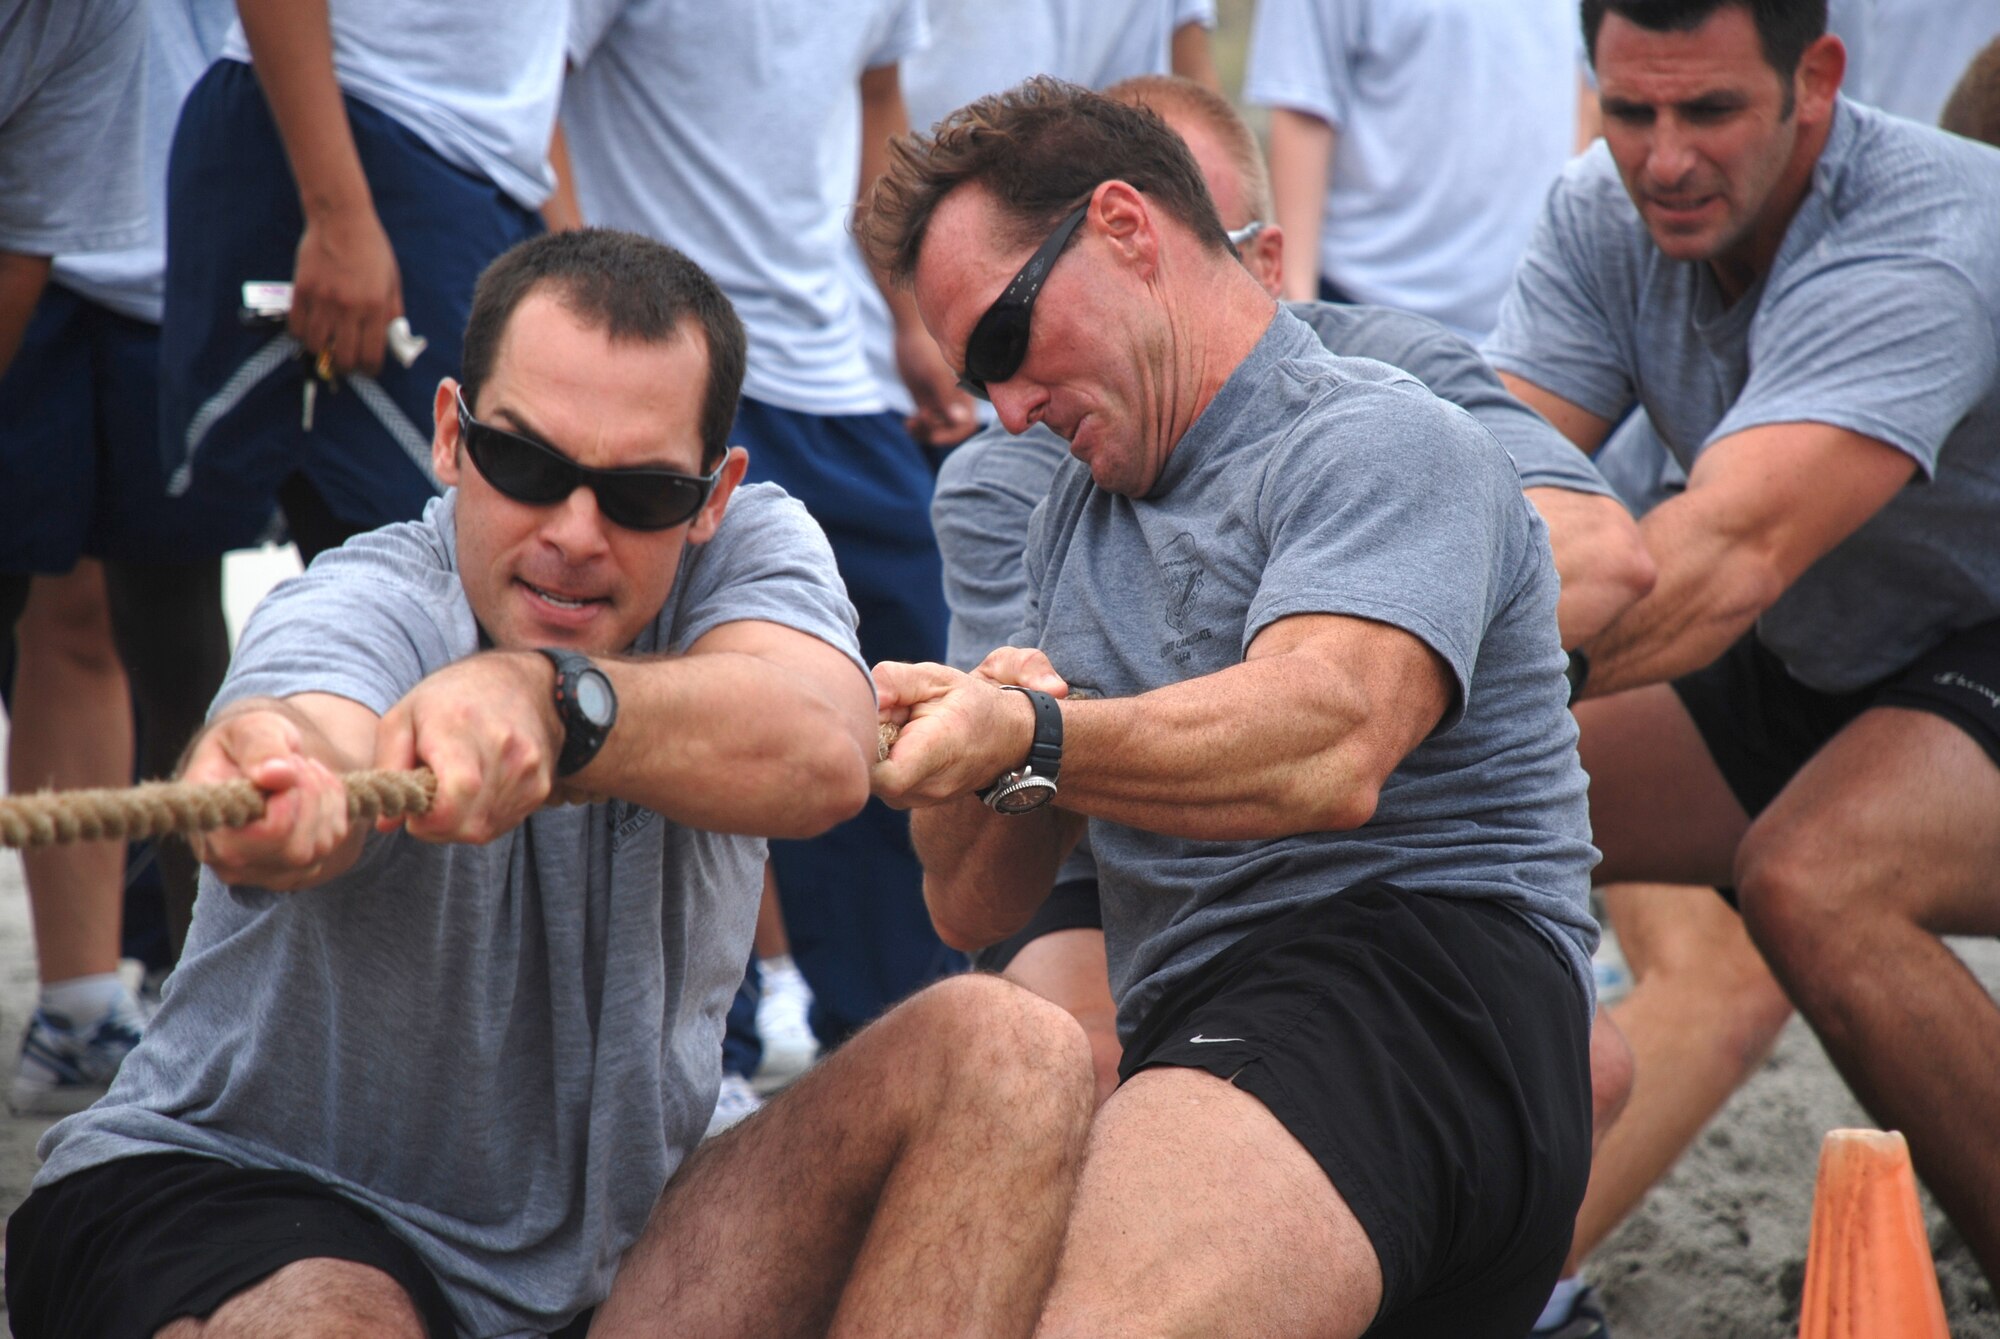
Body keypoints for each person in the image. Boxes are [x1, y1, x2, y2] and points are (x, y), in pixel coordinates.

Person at [4, 228, 1096, 1339]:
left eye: (641, 492)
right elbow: (299, 726)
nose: (575, 533)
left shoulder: (753, 554)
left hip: (619, 1246)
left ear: (713, 495)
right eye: (526, 466)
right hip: (246, 1194)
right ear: (448, 436)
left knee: (1015, 1050)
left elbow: (817, 749)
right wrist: (274, 779)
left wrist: (548, 701)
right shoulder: (360, 601)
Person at [864, 78, 1599, 1337]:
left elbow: (1328, 742)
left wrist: (1034, 737)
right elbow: (969, 902)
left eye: (1001, 343)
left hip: (1413, 988)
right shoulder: (1061, 525)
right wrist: (969, 739)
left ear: (1125, 229)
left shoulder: (1372, 434)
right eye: (970, 376)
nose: (1004, 408)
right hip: (1233, 1031)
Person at [930, 72, 1651, 1105]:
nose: (1007, 407)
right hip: (1114, 845)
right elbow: (991, 838)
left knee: (1585, 1065)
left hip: (1354, 873)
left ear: (1253, 259)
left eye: (1201, 246)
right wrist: (1024, 739)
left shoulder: (1386, 379)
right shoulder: (1018, 476)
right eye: (978, 369)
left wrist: (1360, 621)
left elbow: (1600, 552)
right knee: (1081, 1064)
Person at [1483, 0, 2000, 1296]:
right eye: (1630, 111)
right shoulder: (1601, 210)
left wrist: (1399, 677)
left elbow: (1722, 557)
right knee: (1444, 781)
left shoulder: (1927, 235)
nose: (1662, 159)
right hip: (1823, 639)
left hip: (1949, 626)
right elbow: (1473, 489)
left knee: (1818, 874)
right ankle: (1458, 1254)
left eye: (1708, 111)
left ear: (1815, 81)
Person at [561, 0, 975, 1079]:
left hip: (838, 370)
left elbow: (878, 101)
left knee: (900, 697)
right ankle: (707, 1060)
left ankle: (891, 1044)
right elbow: (535, 92)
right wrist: (583, 330)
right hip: (678, 382)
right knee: (680, 706)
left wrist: (905, 313)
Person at [1, 0, 236, 1116]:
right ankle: (81, 999)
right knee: (54, 610)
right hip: (43, 245)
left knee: (168, 628)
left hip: (172, 248)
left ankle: (182, 1004)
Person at [157, 0, 562, 565]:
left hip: (487, 177)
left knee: (471, 557)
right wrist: (334, 213)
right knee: (428, 556)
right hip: (355, 136)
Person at [1245, 0, 1579, 341]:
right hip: (1373, 319)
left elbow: (1588, 87)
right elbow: (1304, 103)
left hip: (1536, 330)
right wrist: (1305, 323)